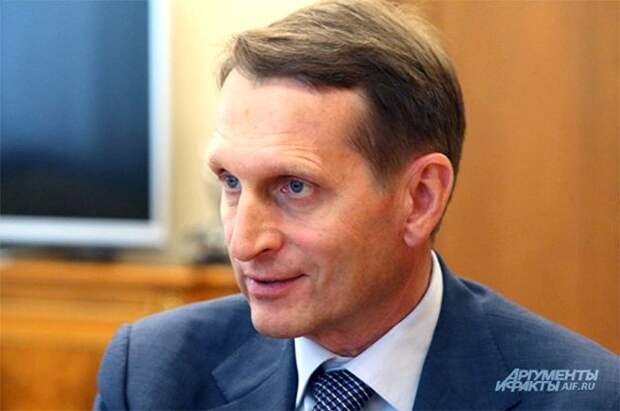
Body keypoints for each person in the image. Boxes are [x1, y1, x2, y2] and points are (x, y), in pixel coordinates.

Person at [94, 1, 619, 410]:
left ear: (420, 198)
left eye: (294, 187)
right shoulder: (153, 373)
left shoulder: (581, 397)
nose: (244, 242)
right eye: (231, 182)